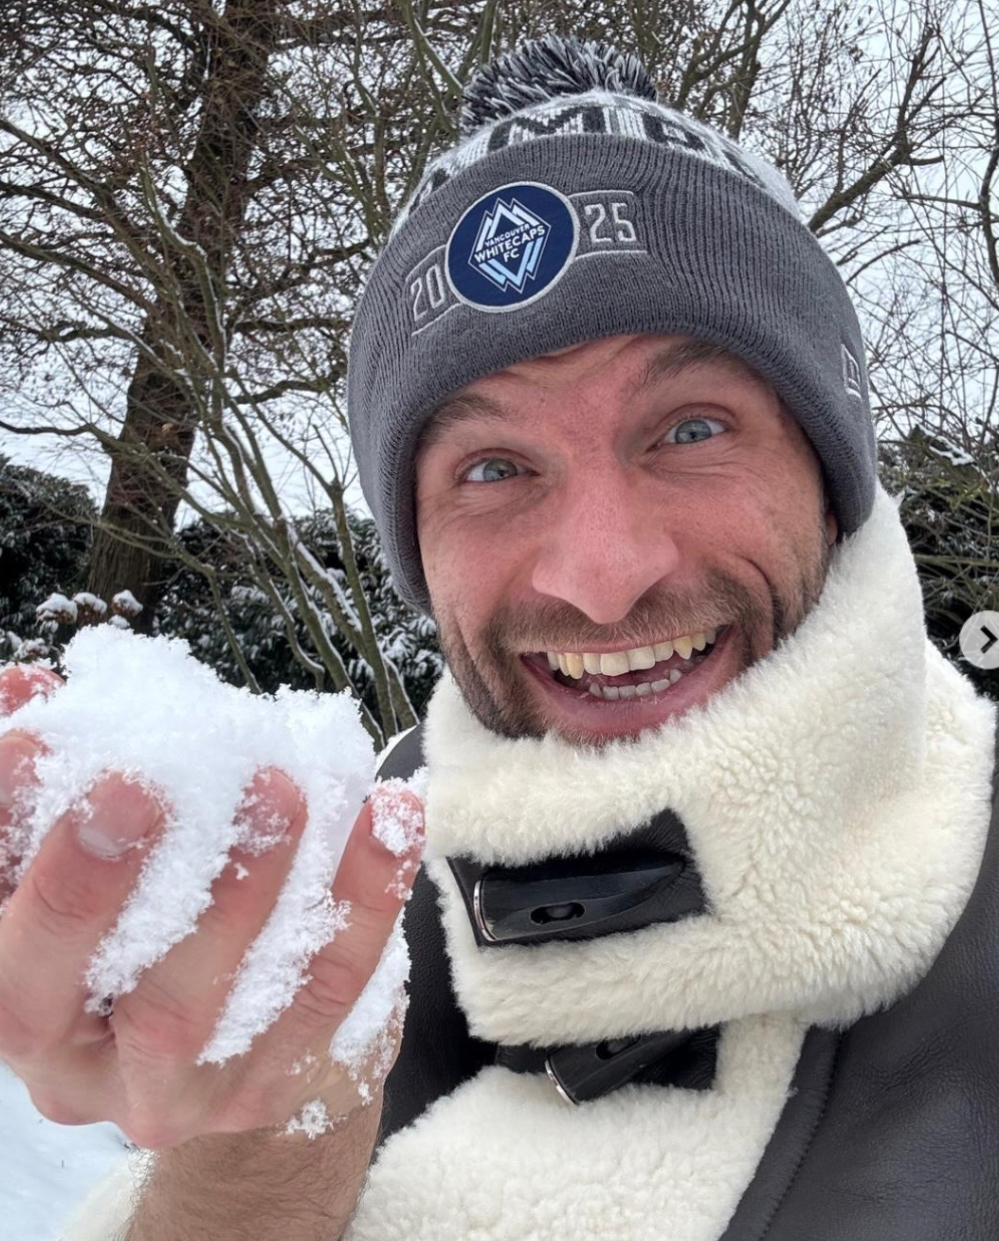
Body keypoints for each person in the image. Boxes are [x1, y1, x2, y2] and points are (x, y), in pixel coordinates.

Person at [1, 32, 996, 1241]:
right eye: (492, 465)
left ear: (833, 482)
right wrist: (266, 1129)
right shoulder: (367, 868)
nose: (602, 577)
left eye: (690, 429)